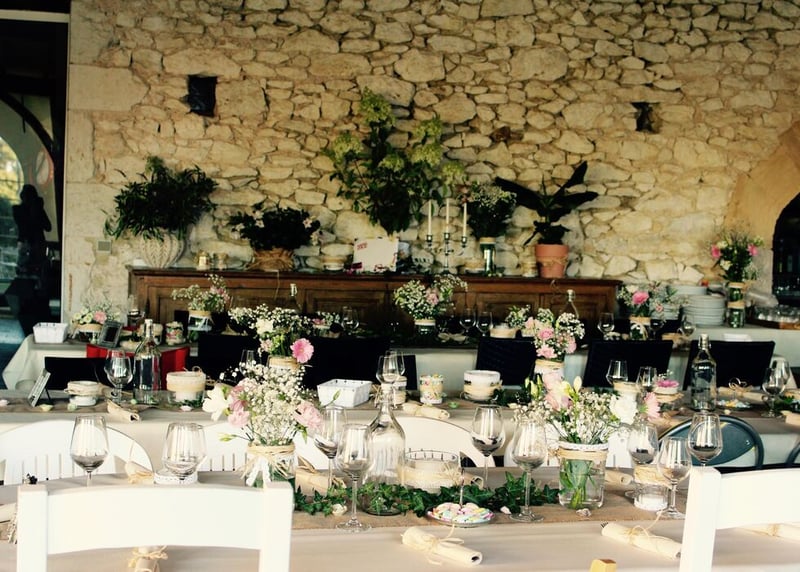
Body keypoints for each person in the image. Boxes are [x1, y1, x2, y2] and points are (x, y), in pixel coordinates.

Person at [13, 183, 51, 280]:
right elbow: (47, 227)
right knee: (34, 272)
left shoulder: (19, 210)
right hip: (35, 243)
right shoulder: (23, 210)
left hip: (30, 243)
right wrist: (38, 209)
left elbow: (47, 227)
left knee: (25, 271)